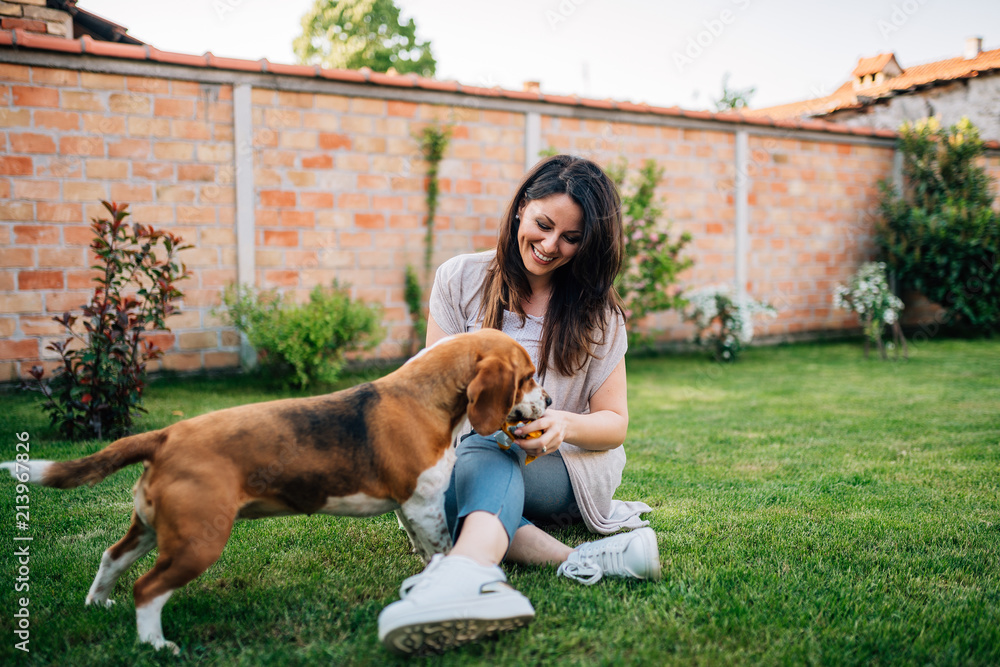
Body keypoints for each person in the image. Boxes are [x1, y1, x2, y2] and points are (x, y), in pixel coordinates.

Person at [378, 154, 659, 654]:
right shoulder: (460, 279)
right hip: (471, 455)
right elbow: (430, 393)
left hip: (567, 467)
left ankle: (468, 574)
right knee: (438, 483)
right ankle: (580, 560)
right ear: (520, 209)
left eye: (571, 238)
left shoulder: (599, 314)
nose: (551, 246)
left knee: (484, 446)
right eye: (544, 225)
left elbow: (615, 425)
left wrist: (564, 425)